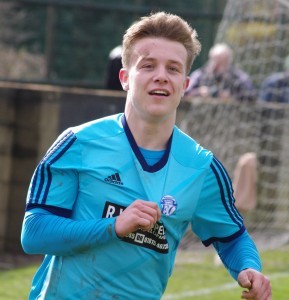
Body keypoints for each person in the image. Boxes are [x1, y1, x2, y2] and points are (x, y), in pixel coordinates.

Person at [21, 12, 271, 300]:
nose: (161, 76)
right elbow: (34, 232)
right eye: (148, 65)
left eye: (173, 69)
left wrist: (248, 268)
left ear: (185, 85)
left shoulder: (201, 167)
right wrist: (113, 226)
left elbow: (232, 237)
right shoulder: (78, 143)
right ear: (125, 78)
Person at [186, 43, 257, 102]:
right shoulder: (200, 74)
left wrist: (232, 96)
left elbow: (252, 95)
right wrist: (199, 92)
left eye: (222, 62)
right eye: (215, 61)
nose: (217, 66)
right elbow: (185, 92)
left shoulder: (238, 77)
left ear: (229, 62)